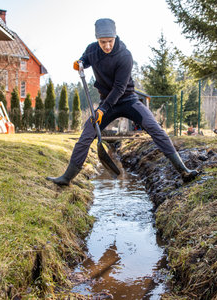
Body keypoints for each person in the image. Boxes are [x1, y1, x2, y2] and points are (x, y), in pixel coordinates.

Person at [46, 18, 197, 186]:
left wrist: (102, 110)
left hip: (128, 100)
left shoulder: (124, 55)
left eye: (110, 41)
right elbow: (85, 59)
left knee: (155, 128)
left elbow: (119, 88)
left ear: (115, 37)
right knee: (87, 133)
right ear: (97, 39)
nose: (107, 45)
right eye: (103, 42)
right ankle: (66, 178)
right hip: (107, 103)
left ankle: (183, 170)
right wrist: (80, 63)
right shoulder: (92, 49)